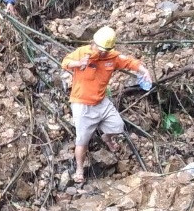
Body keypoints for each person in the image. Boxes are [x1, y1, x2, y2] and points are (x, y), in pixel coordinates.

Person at [61, 26, 152, 185]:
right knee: (82, 141)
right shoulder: (83, 52)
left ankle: (107, 137)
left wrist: (144, 70)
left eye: (105, 50)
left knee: (118, 126)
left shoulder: (112, 57)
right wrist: (78, 63)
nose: (101, 52)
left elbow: (129, 62)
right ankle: (79, 170)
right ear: (93, 42)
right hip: (82, 104)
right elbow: (65, 62)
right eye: (100, 49)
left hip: (102, 102)